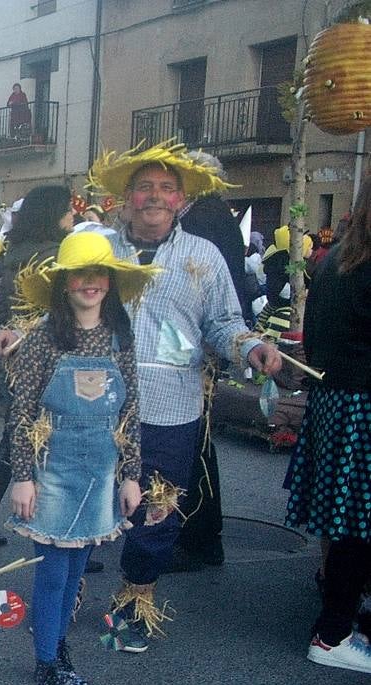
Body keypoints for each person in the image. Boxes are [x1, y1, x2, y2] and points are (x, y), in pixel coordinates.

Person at [74, 141, 282, 649]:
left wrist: (250, 346)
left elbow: (225, 322)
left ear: (181, 197)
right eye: (145, 186)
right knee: (81, 497)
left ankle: (133, 601)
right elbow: (60, 309)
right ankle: (67, 588)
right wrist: (23, 336)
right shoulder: (98, 247)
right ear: (127, 195)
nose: (155, 196)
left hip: (172, 404)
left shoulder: (202, 254)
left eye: (166, 188)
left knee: (158, 507)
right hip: (94, 400)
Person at [4, 232, 152, 685]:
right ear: (63, 284)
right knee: (51, 574)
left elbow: (130, 414)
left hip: (101, 475)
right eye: (80, 274)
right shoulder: (43, 340)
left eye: (98, 274)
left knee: (75, 574)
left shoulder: (120, 338)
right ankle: (45, 671)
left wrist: (132, 477)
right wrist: (22, 477)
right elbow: (22, 413)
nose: (90, 283)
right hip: (54, 475)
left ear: (109, 282)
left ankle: (58, 650)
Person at [284, 179, 371, 675]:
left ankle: (339, 614)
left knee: (349, 519)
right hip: (362, 402)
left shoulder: (337, 258)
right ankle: (334, 631)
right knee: (359, 523)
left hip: (337, 400)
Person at [0, 185, 73, 549]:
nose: (72, 216)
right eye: (67, 210)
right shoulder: (55, 255)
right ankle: (65, 534)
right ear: (53, 214)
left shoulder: (13, 251)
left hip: (13, 354)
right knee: (50, 445)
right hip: (47, 357)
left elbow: (4, 309)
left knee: (15, 441)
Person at [174, 152, 249, 571]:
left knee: (194, 439)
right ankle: (194, 531)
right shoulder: (211, 214)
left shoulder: (203, 218)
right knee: (193, 438)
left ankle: (200, 536)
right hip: (196, 343)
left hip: (195, 345)